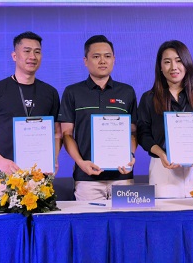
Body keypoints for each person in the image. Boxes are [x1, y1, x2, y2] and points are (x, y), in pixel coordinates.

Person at [0, 31, 62, 198]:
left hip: (39, 179)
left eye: (37, 51)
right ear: (14, 56)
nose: (32, 56)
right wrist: (0, 162)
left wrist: (53, 158)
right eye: (27, 51)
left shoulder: (50, 92)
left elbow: (57, 133)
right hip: (4, 178)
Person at [137, 40, 193, 198]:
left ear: (187, 64)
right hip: (163, 171)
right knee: (165, 212)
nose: (173, 67)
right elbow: (143, 134)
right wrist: (162, 154)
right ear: (160, 67)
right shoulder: (149, 98)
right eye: (167, 62)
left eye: (179, 61)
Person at [59, 35, 137, 201]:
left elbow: (133, 132)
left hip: (122, 178)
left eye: (107, 56)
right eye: (96, 56)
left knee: (126, 219)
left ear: (114, 59)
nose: (102, 61)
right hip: (87, 179)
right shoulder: (72, 92)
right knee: (89, 219)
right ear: (85, 61)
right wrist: (81, 163)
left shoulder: (127, 92)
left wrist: (130, 155)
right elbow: (66, 134)